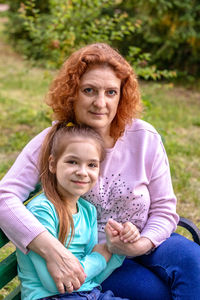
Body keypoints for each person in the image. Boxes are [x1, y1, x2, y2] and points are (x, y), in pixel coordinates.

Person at [0, 42, 200, 300]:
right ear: (73, 93)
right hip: (96, 258)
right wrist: (52, 250)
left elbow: (163, 209)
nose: (100, 102)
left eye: (111, 92)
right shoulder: (53, 141)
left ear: (121, 96)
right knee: (155, 294)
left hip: (147, 240)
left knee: (195, 266)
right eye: (89, 90)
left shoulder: (144, 137)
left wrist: (141, 243)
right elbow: (4, 197)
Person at [16, 123, 140, 300]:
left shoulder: (88, 210)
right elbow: (56, 283)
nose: (82, 172)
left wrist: (117, 248)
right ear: (53, 164)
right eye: (72, 162)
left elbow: (95, 278)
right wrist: (100, 256)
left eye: (91, 165)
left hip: (89, 293)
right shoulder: (42, 211)